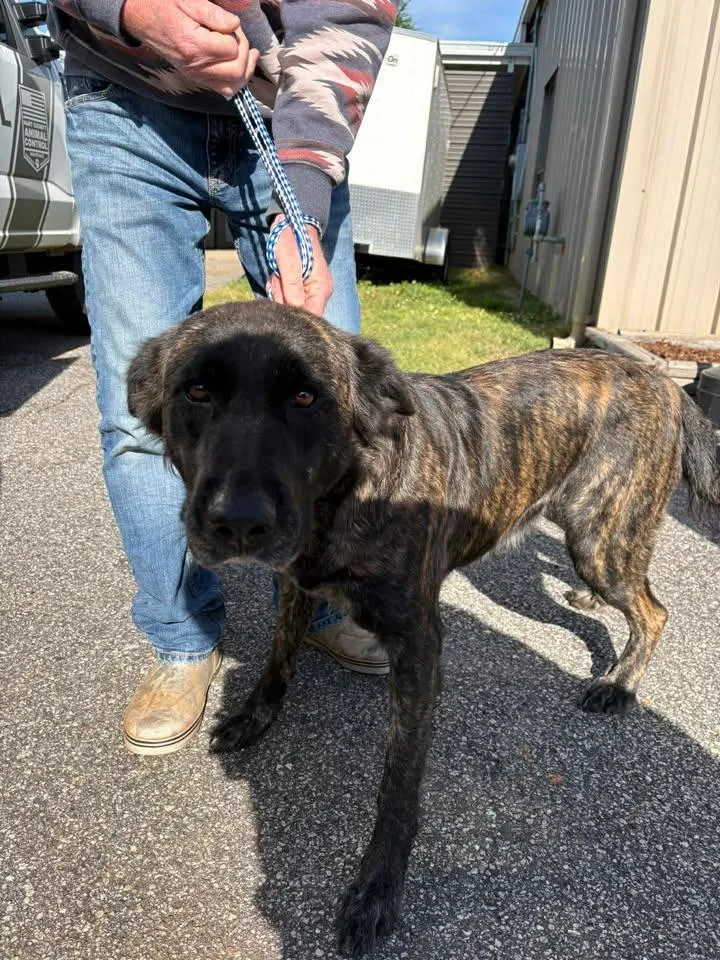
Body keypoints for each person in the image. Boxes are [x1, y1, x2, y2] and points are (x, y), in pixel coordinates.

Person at [47, 0, 398, 755]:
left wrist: (301, 198)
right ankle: (182, 641)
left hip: (290, 116)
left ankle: (324, 607)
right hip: (121, 98)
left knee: (339, 400)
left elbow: (356, 15)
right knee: (134, 413)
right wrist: (128, 10)